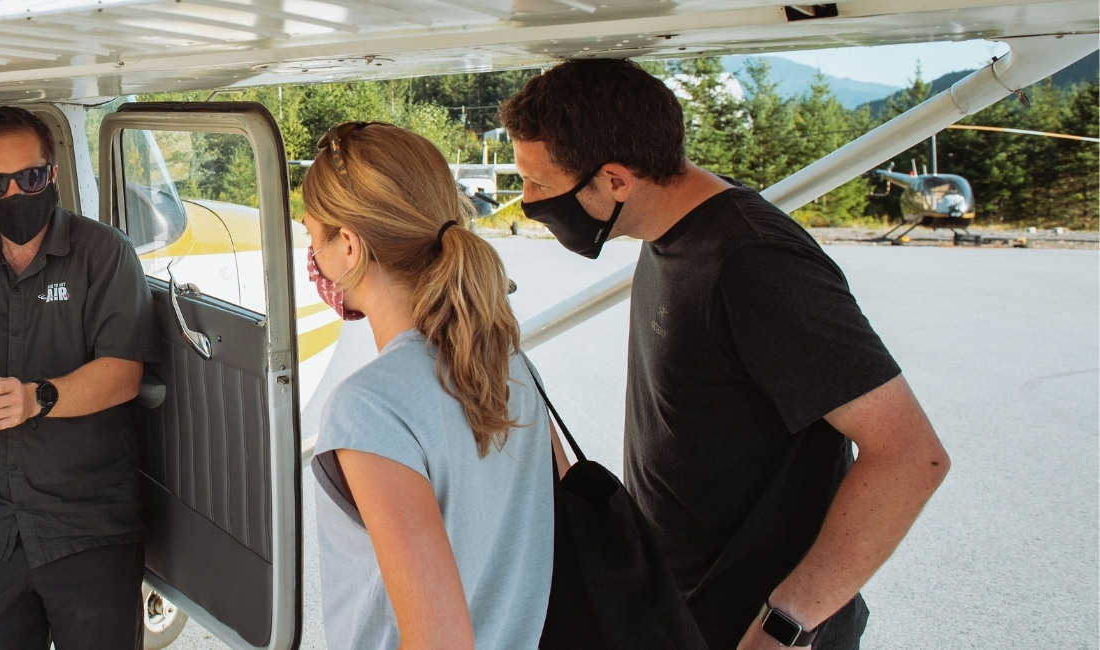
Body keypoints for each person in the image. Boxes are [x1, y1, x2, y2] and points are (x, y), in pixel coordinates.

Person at [500, 59, 951, 650]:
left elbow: (911, 456)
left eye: (539, 183)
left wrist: (786, 624)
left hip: (754, 631)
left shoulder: (754, 261)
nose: (527, 200)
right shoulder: (672, 231)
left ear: (615, 180)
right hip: (682, 611)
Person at [304, 122, 554, 649]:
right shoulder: (509, 363)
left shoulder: (370, 407)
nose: (313, 260)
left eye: (313, 238)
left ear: (349, 247)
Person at [0, 106, 160, 650]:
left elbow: (123, 373)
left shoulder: (105, 253)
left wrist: (34, 399)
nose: (15, 196)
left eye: (29, 178)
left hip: (91, 523)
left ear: (51, 174)